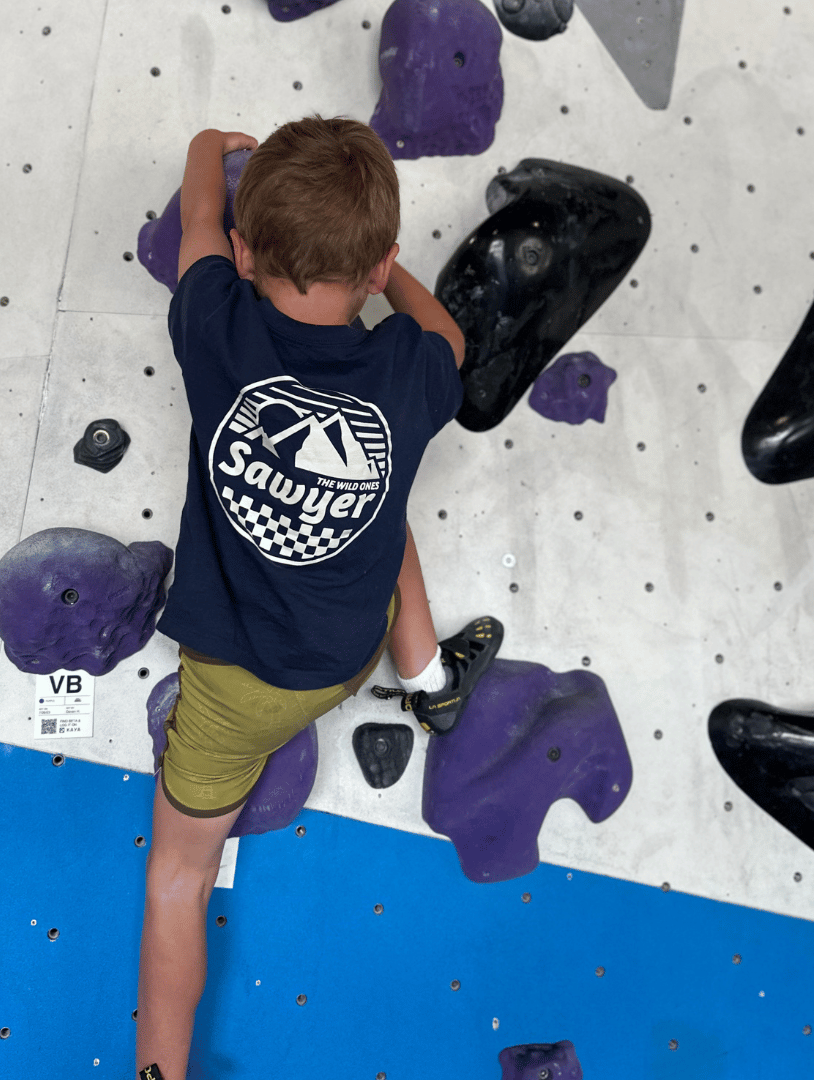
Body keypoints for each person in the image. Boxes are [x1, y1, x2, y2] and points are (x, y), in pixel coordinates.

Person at [136, 115, 502, 1080]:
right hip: (346, 649)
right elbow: (449, 337)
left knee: (177, 877)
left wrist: (207, 144)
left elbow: (199, 233)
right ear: (378, 267)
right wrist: (388, 270)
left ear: (250, 256)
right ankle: (426, 679)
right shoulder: (407, 374)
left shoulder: (210, 322)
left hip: (233, 687)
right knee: (384, 498)